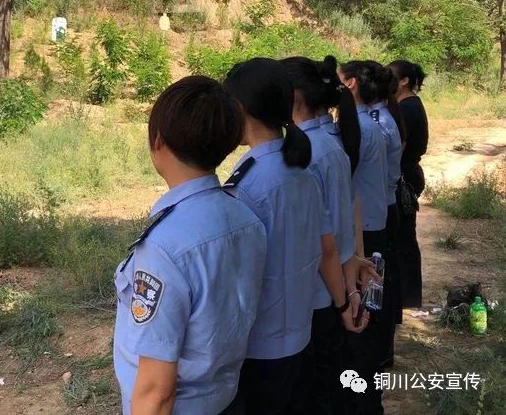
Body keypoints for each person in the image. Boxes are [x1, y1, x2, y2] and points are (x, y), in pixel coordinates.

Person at [113, 76, 268, 415]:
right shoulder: (247, 219)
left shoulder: (163, 248)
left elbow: (156, 392)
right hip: (226, 397)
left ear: (157, 140)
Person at [222, 58, 323, 414]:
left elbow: (235, 274)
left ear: (241, 109)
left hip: (262, 348)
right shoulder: (301, 169)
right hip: (300, 334)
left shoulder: (249, 181)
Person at [281, 56, 369, 414]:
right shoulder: (328, 144)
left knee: (317, 389)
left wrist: (344, 297)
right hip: (332, 287)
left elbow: (324, 238)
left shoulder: (309, 151)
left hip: (320, 293)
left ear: (296, 97)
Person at [338, 60, 389, 414]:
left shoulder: (356, 128)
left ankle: (363, 390)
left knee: (363, 308)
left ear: (351, 84)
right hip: (373, 221)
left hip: (364, 231)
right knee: (371, 305)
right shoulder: (371, 123)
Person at [367, 62, 406, 370]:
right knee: (381, 277)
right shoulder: (383, 117)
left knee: (377, 280)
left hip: (379, 209)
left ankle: (378, 350)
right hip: (384, 206)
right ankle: (381, 348)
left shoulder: (375, 122)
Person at [389, 60, 428, 309]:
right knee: (403, 237)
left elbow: (397, 149)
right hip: (409, 174)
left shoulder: (407, 108)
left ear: (403, 81)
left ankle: (408, 297)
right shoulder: (407, 104)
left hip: (405, 177)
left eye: (390, 75)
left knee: (402, 239)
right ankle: (408, 296)